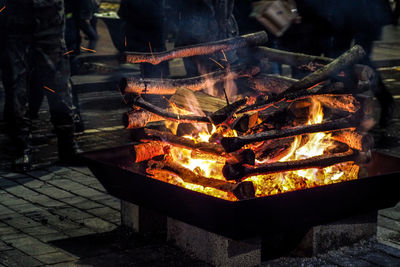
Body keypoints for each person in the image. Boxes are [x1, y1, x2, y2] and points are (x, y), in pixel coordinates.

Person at [4, 0, 80, 172]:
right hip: (17, 26)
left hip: (50, 24)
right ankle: (21, 148)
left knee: (60, 89)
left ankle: (67, 145)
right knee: (17, 92)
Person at [173, 0, 239, 77]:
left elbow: (227, 8)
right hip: (195, 37)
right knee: (197, 76)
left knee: (227, 74)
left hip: (225, 34)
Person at [118, 0, 169, 78]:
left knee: (146, 58)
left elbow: (122, 13)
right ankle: (163, 77)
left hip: (141, 32)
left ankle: (151, 80)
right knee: (158, 54)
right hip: (156, 29)